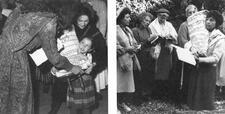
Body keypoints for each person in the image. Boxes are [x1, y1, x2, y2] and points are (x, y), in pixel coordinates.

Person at [0, 1, 84, 114]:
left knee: (4, 98)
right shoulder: (49, 20)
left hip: (2, 52)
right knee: (19, 101)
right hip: (15, 60)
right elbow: (54, 58)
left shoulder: (24, 8)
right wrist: (72, 67)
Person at [49, 2, 107, 114]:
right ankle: (54, 109)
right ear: (74, 18)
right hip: (65, 64)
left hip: (84, 67)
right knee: (59, 88)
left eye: (86, 21)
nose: (83, 24)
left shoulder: (93, 31)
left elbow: (102, 53)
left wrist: (93, 65)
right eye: (80, 20)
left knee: (82, 100)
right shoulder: (68, 27)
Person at [187, 10, 225, 110]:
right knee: (194, 103)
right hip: (197, 69)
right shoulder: (201, 34)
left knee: (205, 104)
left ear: (217, 23)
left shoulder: (220, 38)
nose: (208, 22)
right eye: (207, 20)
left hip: (208, 71)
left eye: (211, 20)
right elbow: (189, 44)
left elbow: (216, 58)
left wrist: (200, 59)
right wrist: (192, 50)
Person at [51, 36, 96, 114]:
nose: (83, 46)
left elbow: (86, 66)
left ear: (90, 49)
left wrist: (83, 58)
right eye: (82, 43)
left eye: (87, 46)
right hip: (73, 84)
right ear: (79, 42)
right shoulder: (71, 54)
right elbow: (65, 65)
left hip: (85, 84)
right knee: (74, 106)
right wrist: (56, 69)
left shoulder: (88, 56)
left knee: (86, 106)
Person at [149, 8, 178, 98]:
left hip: (166, 50)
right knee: (157, 71)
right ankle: (156, 93)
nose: (163, 19)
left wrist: (170, 36)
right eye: (161, 16)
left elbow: (175, 35)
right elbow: (150, 37)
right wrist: (158, 36)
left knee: (166, 70)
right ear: (157, 16)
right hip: (157, 50)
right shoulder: (152, 25)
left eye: (165, 17)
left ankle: (164, 93)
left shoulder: (169, 24)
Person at [117, 7, 141, 112]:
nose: (129, 19)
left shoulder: (128, 29)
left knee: (126, 83)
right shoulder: (115, 29)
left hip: (129, 59)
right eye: (127, 17)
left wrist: (136, 46)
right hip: (119, 61)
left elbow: (133, 42)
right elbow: (114, 46)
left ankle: (122, 103)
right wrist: (127, 48)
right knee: (119, 83)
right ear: (121, 18)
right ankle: (117, 104)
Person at [132, 12, 157, 98]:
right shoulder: (135, 30)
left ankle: (148, 93)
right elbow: (137, 46)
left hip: (149, 54)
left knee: (149, 74)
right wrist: (149, 41)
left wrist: (155, 41)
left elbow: (151, 43)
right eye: (146, 20)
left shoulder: (148, 29)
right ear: (141, 19)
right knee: (141, 75)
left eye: (149, 21)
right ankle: (140, 95)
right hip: (140, 55)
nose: (147, 22)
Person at [177, 4, 198, 104]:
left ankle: (193, 100)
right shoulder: (184, 25)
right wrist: (192, 48)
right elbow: (182, 40)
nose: (192, 14)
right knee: (186, 78)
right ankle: (183, 101)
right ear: (186, 14)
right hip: (186, 55)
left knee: (195, 78)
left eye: (194, 12)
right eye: (190, 13)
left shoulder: (199, 26)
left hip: (197, 55)